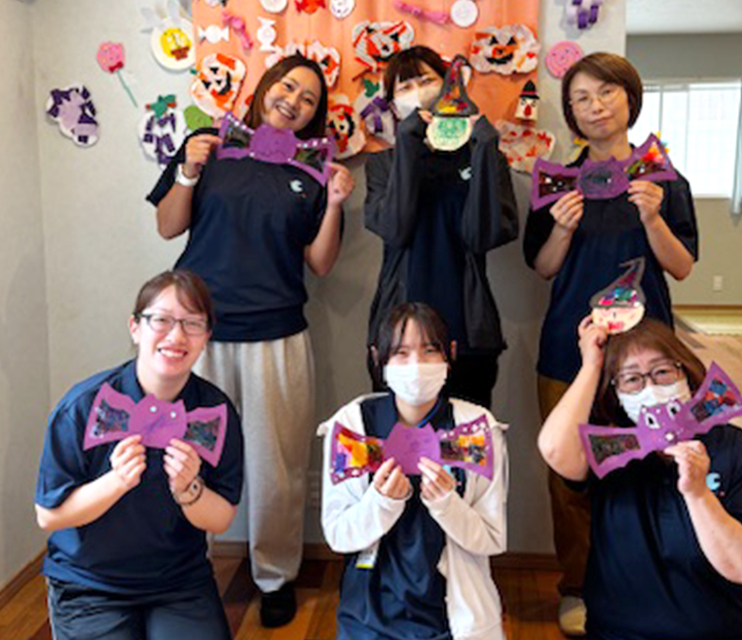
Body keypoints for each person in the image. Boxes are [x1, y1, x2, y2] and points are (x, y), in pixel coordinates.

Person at [147, 54, 355, 626]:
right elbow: (167, 226)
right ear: (265, 87)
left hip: (276, 335)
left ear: (315, 115)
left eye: (309, 98)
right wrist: (188, 171)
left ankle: (275, 576)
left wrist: (336, 204)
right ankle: (186, 570)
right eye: (287, 86)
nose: (293, 101)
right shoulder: (209, 145)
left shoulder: (315, 170)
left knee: (275, 468)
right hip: (196, 334)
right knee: (183, 455)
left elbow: (321, 263)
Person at [522, 52, 699, 634]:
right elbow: (543, 268)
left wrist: (653, 220)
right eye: (581, 98)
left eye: (606, 92)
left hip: (647, 357)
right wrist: (563, 226)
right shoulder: (557, 181)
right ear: (570, 113)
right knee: (569, 475)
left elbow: (682, 267)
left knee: (652, 466)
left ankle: (649, 584)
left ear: (630, 97)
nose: (595, 106)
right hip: (568, 349)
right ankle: (577, 586)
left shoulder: (663, 178)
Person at [537, 316, 742, 640]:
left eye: (663, 371)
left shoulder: (735, 448)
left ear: (686, 373)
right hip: (618, 634)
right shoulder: (611, 451)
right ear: (616, 393)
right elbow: (554, 448)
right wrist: (591, 364)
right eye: (631, 379)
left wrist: (699, 494)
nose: (650, 388)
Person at [34, 270, 244, 640]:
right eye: (161, 320)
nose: (176, 336)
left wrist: (189, 490)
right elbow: (49, 515)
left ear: (206, 337)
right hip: (89, 584)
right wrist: (116, 482)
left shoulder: (213, 412)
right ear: (135, 328)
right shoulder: (83, 407)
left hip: (179, 582)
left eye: (192, 323)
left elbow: (222, 518)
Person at [320, 302, 509, 640]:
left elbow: (491, 538)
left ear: (450, 354)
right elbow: (339, 535)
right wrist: (381, 502)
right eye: (401, 353)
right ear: (378, 358)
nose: (416, 365)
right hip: (369, 614)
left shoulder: (474, 429)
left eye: (429, 350)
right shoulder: (354, 426)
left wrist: (447, 504)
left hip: (452, 617)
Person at [365, 45, 519, 409]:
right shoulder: (383, 164)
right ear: (392, 103)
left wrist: (483, 152)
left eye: (426, 80)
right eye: (405, 87)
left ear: (451, 87)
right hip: (399, 336)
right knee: (398, 435)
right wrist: (407, 145)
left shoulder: (482, 152)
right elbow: (395, 229)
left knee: (468, 435)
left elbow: (482, 236)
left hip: (468, 330)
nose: (418, 92)